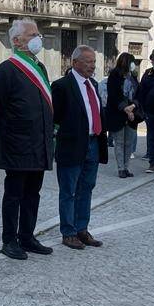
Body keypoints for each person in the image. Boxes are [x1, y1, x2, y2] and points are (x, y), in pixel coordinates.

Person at [0, 18, 55, 260]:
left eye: (37, 34)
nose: (38, 38)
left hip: (39, 145)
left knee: (33, 194)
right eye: (32, 35)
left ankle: (27, 236)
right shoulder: (6, 71)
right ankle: (10, 239)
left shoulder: (40, 67)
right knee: (14, 194)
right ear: (17, 41)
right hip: (16, 145)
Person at [52, 45, 108, 250]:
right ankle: (68, 232)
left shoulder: (93, 84)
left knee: (87, 188)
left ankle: (82, 228)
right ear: (75, 63)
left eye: (94, 62)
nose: (93, 66)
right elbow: (55, 117)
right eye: (88, 62)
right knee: (69, 190)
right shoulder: (62, 86)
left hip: (93, 143)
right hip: (72, 146)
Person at [105, 52, 141, 178]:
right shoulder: (114, 75)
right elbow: (113, 95)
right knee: (119, 142)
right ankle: (121, 168)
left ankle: (127, 167)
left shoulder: (133, 76)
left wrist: (133, 106)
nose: (134, 65)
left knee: (129, 142)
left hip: (132, 114)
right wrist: (125, 108)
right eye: (132, 62)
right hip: (118, 113)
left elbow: (139, 94)